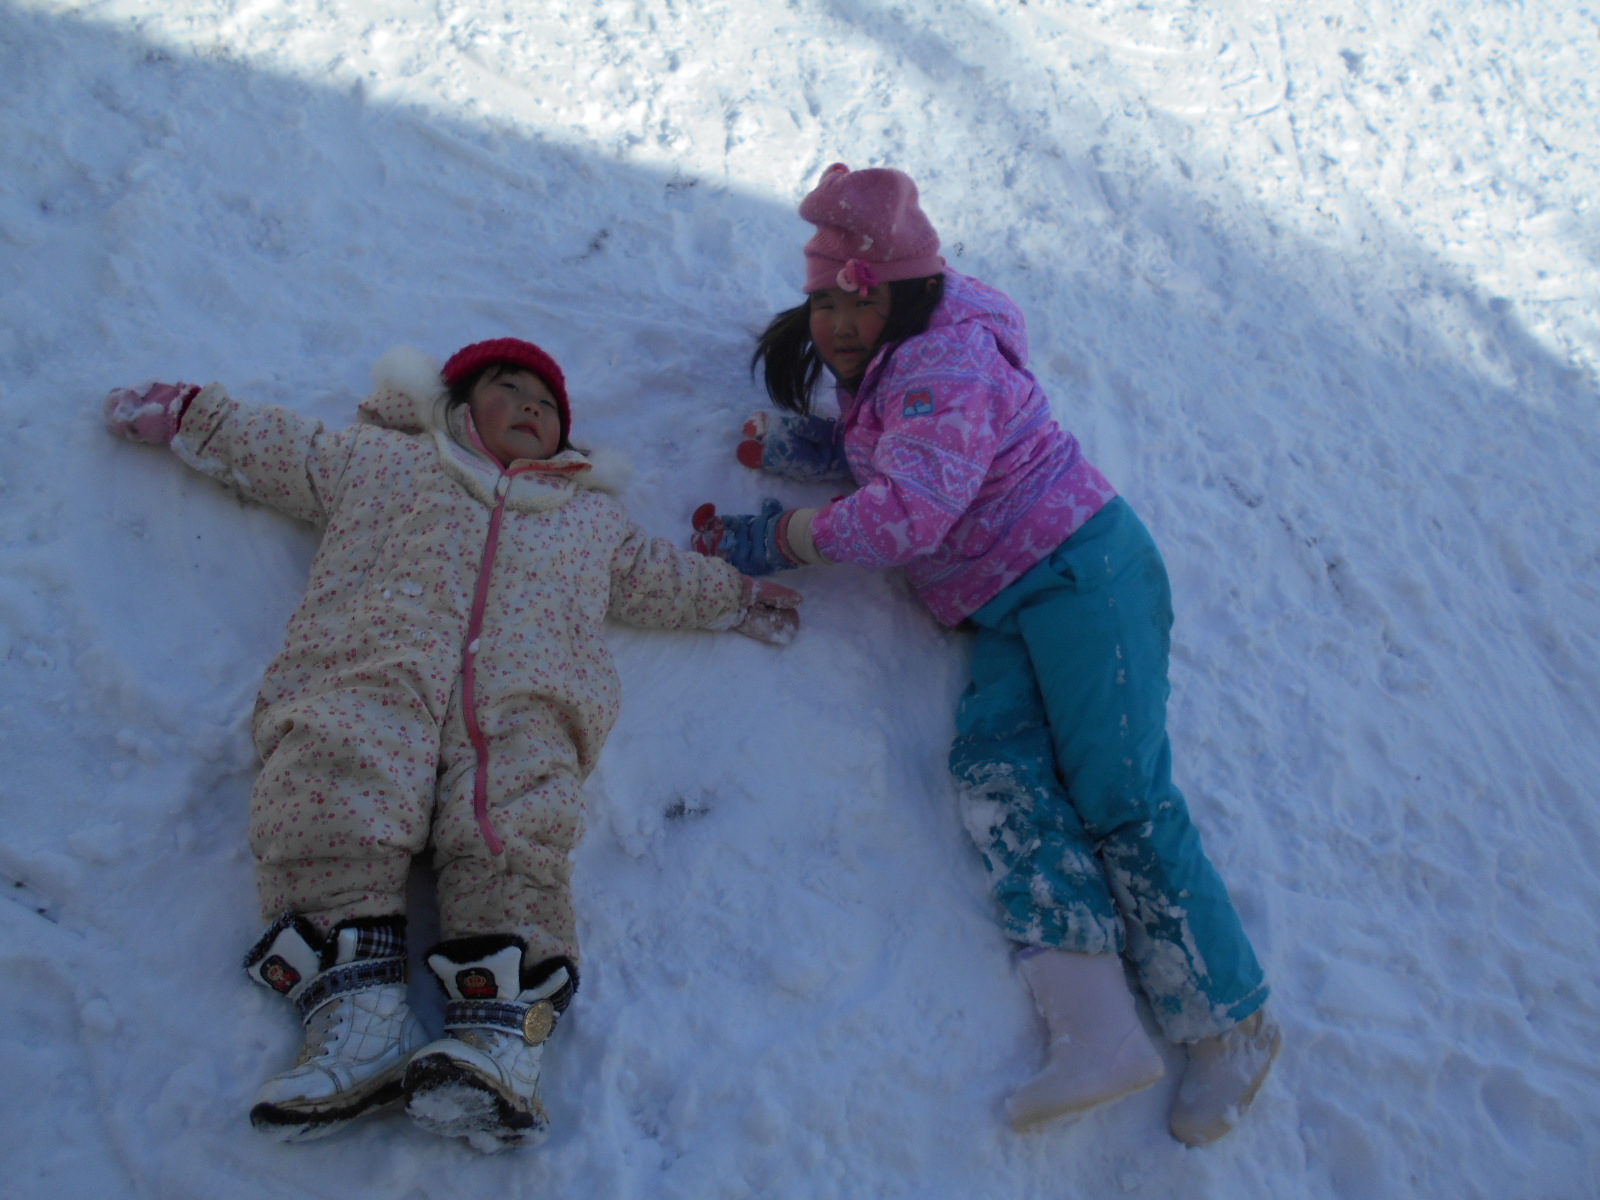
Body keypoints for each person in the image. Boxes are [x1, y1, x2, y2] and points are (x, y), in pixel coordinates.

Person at [691, 164, 1280, 1146]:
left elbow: (909, 511)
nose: (838, 324)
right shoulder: (897, 373)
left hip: (1083, 569)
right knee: (997, 775)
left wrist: (783, 539)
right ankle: (1096, 1032)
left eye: (859, 301)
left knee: (1120, 792)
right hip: (1007, 604)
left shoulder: (948, 361)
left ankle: (1232, 1022)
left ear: (905, 293)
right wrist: (796, 446)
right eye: (824, 302)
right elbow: (902, 452)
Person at [104, 338, 800, 1153]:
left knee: (515, 841)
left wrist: (733, 595)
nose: (533, 407)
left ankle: (505, 1039)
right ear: (459, 403)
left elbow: (658, 576)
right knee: (328, 795)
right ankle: (358, 1019)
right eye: (511, 389)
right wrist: (197, 417)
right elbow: (289, 450)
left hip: (524, 710)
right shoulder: (386, 461)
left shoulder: (589, 522)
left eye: (548, 404)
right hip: (372, 676)